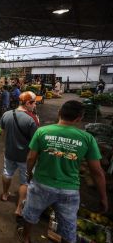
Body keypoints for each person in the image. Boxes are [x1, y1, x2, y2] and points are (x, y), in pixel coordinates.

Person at [21, 100, 108, 243]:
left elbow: (31, 158)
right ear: (79, 118)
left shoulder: (43, 131)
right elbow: (97, 172)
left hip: (41, 184)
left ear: (59, 113)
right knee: (68, 228)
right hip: (69, 189)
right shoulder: (87, 138)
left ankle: (25, 238)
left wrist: (29, 173)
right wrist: (103, 197)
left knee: (30, 214)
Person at [0, 91, 39, 217]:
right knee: (24, 182)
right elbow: (35, 143)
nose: (35, 106)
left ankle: (5, 194)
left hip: (9, 153)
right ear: (28, 103)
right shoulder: (32, 120)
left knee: (7, 174)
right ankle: (19, 208)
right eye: (34, 103)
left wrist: (8, 146)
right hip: (25, 157)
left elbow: (3, 134)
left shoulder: (6, 114)